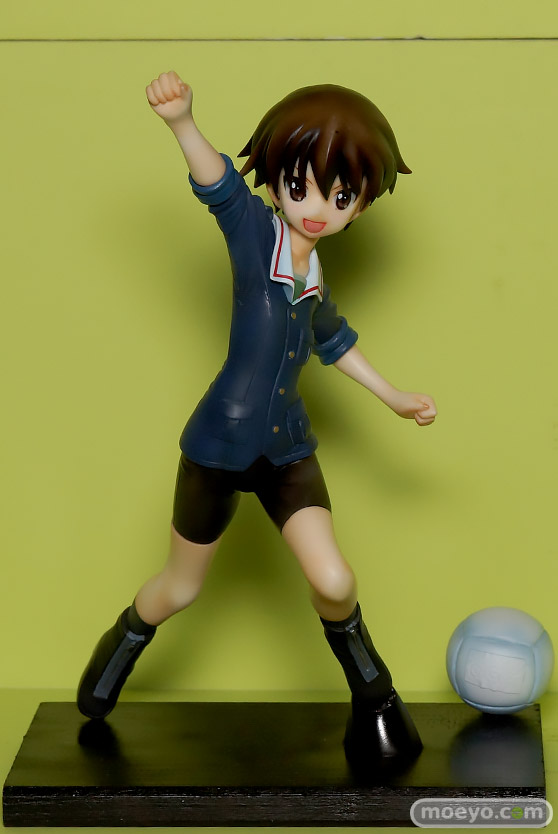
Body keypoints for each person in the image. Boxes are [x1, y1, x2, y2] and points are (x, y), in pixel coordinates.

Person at [77, 72, 437, 764]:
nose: (317, 208)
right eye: (301, 186)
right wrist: (182, 122)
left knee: (334, 582)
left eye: (341, 196)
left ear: (360, 204)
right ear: (276, 183)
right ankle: (115, 655)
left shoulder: (315, 278)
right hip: (217, 446)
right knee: (180, 587)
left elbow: (334, 340)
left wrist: (394, 397)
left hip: (287, 450)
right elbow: (218, 186)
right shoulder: (254, 236)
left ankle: (376, 699)